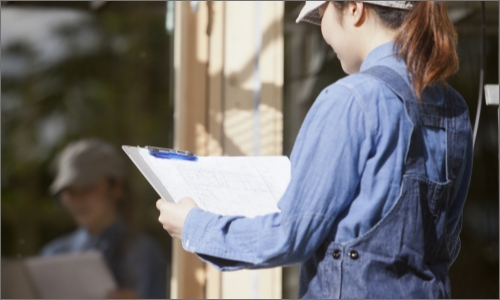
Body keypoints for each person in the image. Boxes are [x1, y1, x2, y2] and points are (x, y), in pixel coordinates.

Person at [156, 1, 473, 298]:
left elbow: (288, 237)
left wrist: (193, 225)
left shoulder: (351, 99)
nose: (323, 32)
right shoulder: (453, 108)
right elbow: (445, 243)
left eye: (321, 14)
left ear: (353, 9)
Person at [41, 139, 167, 299]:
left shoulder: (144, 254)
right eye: (71, 191)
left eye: (87, 188)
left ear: (117, 187)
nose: (79, 200)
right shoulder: (53, 256)